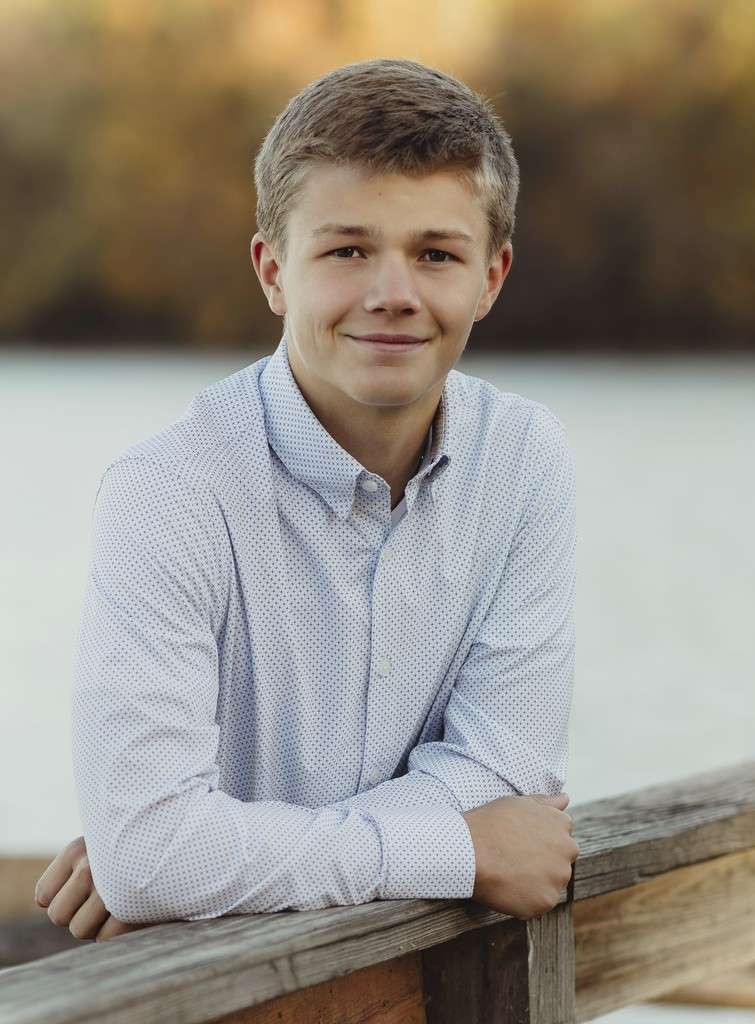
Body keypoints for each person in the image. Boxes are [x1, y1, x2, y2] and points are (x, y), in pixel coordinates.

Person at [35, 58, 579, 942]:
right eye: (346, 250)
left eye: (435, 254)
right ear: (273, 269)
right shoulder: (168, 493)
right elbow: (148, 858)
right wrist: (457, 850)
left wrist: (220, 853)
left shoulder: (522, 460)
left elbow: (503, 770)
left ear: (491, 276)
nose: (392, 294)